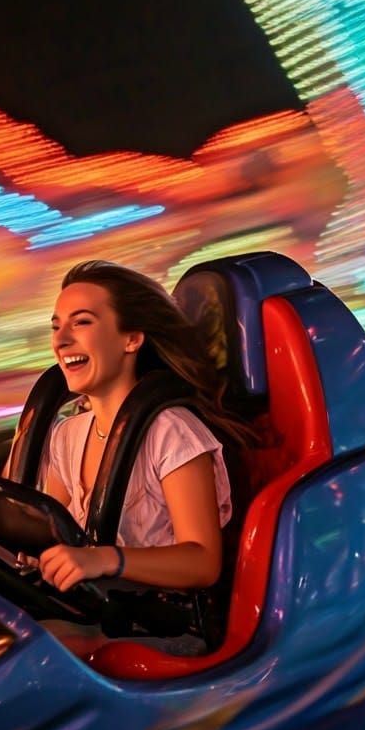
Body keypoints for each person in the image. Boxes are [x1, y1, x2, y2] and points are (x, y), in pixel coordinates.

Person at [32, 259, 252, 655]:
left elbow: (202, 562)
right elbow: (40, 529)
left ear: (131, 339)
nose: (61, 340)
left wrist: (103, 559)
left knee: (32, 652)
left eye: (81, 323)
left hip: (164, 626)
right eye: (56, 325)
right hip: (99, 611)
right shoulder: (68, 435)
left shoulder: (171, 431)